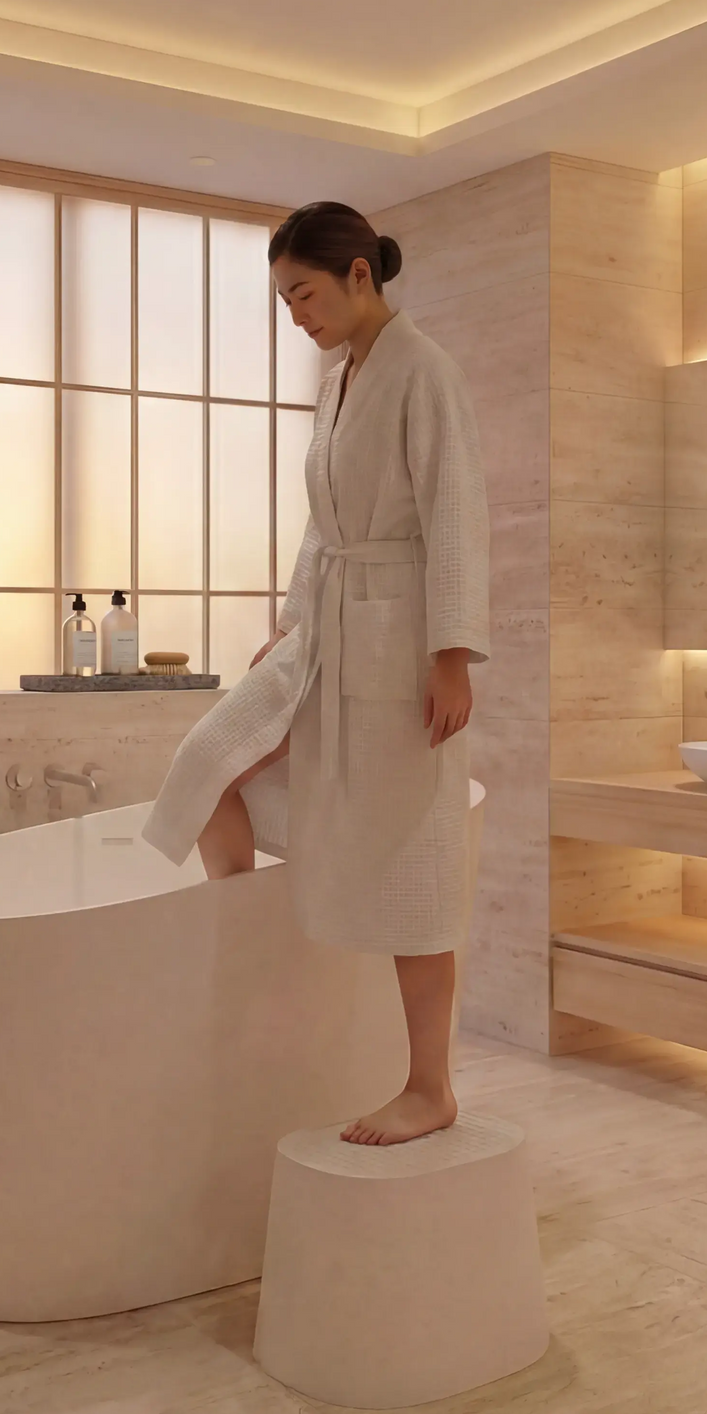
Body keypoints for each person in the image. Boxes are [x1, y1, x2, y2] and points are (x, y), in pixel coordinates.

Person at [141, 202, 490, 1145]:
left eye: (304, 293)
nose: (296, 314)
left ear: (360, 276)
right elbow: (322, 524)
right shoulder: (343, 378)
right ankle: (248, 951)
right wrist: (291, 627)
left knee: (415, 868)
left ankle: (431, 1086)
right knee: (212, 757)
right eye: (285, 299)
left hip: (401, 640)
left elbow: (455, 514)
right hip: (326, 627)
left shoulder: (424, 373)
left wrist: (452, 657)